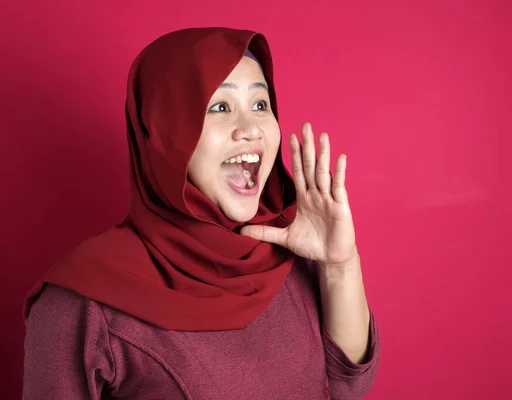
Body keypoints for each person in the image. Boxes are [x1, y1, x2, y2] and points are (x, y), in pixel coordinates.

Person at [22, 27, 380, 399]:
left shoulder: (292, 245)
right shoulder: (82, 302)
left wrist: (340, 266)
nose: (251, 129)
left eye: (260, 105)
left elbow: (349, 388)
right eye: (220, 107)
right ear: (164, 132)